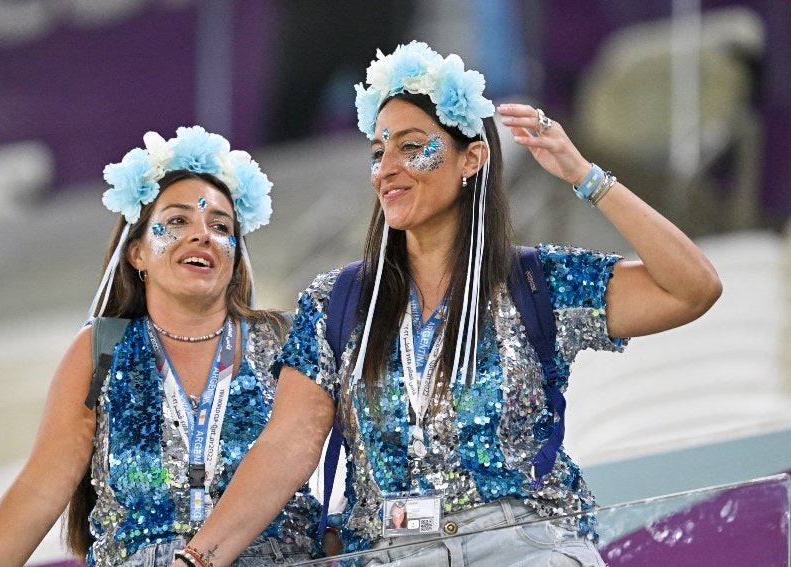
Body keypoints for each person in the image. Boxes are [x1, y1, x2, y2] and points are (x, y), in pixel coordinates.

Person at [166, 41, 723, 566]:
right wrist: (199, 557)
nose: (387, 167)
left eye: (412, 146)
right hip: (388, 549)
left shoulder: (536, 280)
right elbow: (286, 446)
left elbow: (693, 287)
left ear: (471, 158)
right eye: (378, 151)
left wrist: (585, 176)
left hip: (522, 546)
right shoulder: (334, 302)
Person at [0, 126, 320, 566]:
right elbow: (41, 485)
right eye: (177, 221)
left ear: (235, 253)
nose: (202, 235)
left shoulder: (286, 338)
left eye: (220, 226)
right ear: (136, 253)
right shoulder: (102, 348)